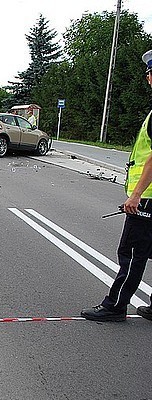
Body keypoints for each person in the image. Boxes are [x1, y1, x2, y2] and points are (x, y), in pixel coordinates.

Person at [81, 49, 152, 322]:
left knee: (132, 254)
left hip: (147, 198)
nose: (147, 79)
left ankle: (115, 306)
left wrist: (135, 195)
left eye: (148, 73)